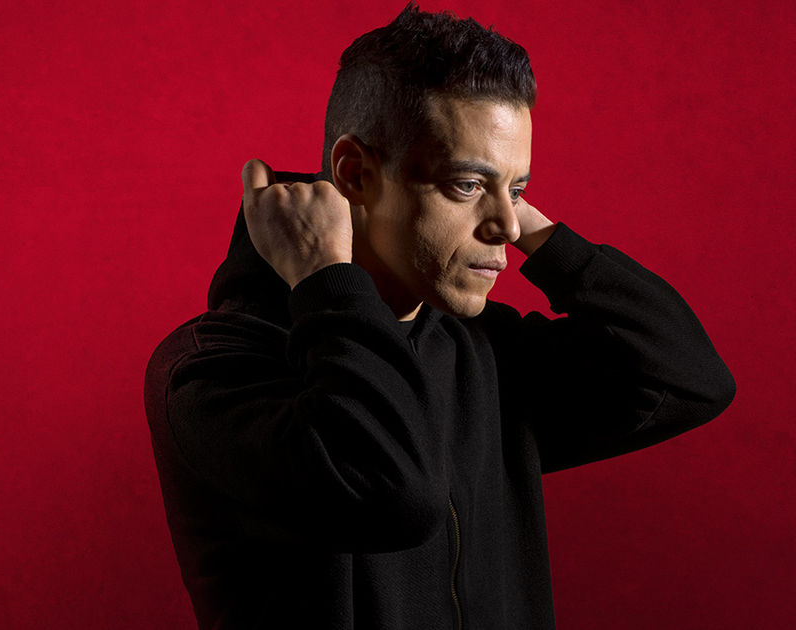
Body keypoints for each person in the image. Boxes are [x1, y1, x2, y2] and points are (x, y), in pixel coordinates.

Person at [144, 4, 735, 628]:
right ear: (354, 174)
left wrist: (532, 225)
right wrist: (325, 282)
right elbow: (392, 493)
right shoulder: (210, 375)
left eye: (518, 190)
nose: (506, 228)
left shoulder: (481, 353)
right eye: (466, 185)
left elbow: (689, 377)